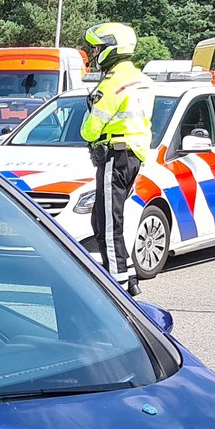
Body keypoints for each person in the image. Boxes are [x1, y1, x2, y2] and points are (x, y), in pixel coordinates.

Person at [79, 22, 154, 295]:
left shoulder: (113, 83)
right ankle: (129, 276)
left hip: (115, 156)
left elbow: (90, 129)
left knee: (108, 224)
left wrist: (88, 115)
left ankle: (117, 288)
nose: (94, 53)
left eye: (97, 47)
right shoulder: (141, 79)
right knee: (102, 220)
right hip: (132, 156)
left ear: (111, 49)